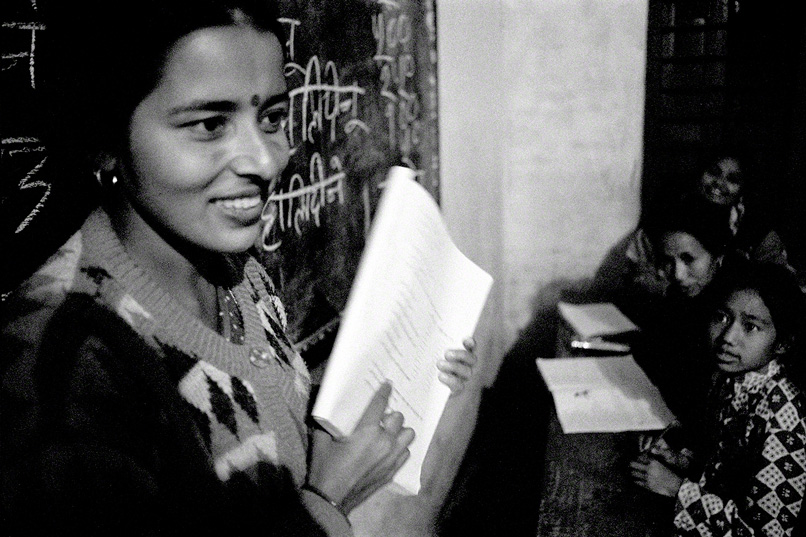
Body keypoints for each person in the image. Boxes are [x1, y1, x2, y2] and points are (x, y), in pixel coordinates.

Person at [0, 1, 476, 535]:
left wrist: (403, 372)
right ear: (106, 142)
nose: (267, 161)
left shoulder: (237, 271)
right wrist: (327, 498)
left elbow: (264, 423)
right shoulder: (67, 366)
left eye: (272, 117)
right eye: (209, 124)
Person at [630, 260, 806, 537]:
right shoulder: (730, 377)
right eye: (721, 317)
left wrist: (678, 490)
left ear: (783, 343)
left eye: (751, 327)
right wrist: (677, 460)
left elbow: (767, 532)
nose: (727, 337)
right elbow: (724, 469)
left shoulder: (782, 418)